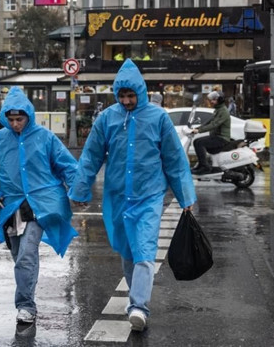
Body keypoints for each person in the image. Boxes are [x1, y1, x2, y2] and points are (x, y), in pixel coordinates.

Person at [68, 59, 196, 332]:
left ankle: (139, 306)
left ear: (141, 92)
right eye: (122, 96)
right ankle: (135, 298)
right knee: (128, 251)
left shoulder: (158, 118)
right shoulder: (107, 119)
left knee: (145, 250)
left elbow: (174, 159)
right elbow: (91, 156)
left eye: (131, 95)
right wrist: (80, 189)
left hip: (149, 195)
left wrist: (186, 197)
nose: (126, 101)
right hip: (117, 196)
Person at [0, 86, 79, 325]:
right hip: (12, 207)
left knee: (27, 253)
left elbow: (68, 166)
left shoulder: (45, 137)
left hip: (41, 204)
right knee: (20, 255)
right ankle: (28, 296)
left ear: (28, 115)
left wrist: (77, 191)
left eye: (19, 119)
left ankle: (26, 305)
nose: (15, 124)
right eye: (10, 120)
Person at [191, 91, 231, 174]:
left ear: (220, 100)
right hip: (216, 137)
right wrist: (197, 128)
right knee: (196, 141)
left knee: (200, 143)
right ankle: (201, 165)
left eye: (214, 100)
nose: (211, 101)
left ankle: (205, 167)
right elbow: (209, 122)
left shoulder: (223, 111)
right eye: (211, 100)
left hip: (222, 138)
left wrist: (199, 131)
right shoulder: (218, 110)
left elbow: (214, 124)